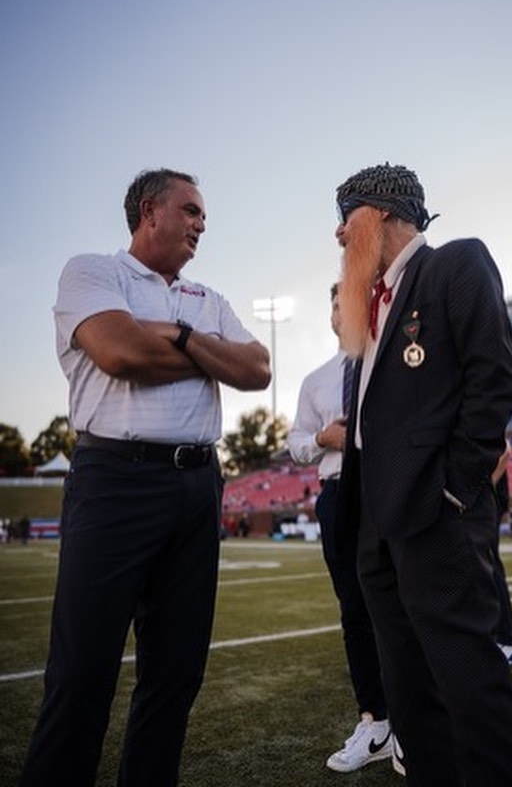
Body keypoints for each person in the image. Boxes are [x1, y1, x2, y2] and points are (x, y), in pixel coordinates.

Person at [19, 168, 271, 787]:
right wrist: (208, 354)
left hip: (197, 486)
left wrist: (179, 334)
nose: (201, 224)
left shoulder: (207, 299)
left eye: (203, 216)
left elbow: (258, 368)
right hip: (115, 481)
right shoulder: (93, 272)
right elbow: (121, 354)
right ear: (149, 211)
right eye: (190, 211)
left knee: (176, 673)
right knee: (83, 673)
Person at [334, 163, 512, 786]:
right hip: (377, 519)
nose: (340, 235)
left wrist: (455, 487)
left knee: (467, 676)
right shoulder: (368, 304)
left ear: (385, 215)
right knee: (406, 681)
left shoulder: (455, 264)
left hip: (434, 510)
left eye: (347, 219)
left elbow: (494, 379)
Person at [288, 283, 393, 773]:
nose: (340, 309)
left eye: (348, 300)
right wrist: (321, 437)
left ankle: (412, 721)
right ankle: (375, 722)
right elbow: (294, 444)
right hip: (336, 494)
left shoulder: (389, 360)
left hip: (385, 488)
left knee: (399, 604)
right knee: (354, 609)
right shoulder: (316, 380)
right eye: (333, 302)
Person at [491, 446, 512, 665]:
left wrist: (486, 484)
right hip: (479, 496)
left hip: (484, 499)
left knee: (488, 565)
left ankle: (506, 641)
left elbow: (505, 450)